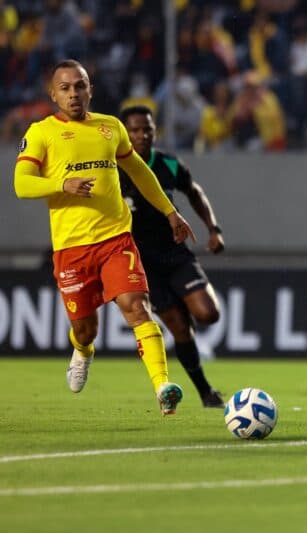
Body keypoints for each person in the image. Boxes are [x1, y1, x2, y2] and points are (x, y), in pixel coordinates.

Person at [13, 59, 195, 415]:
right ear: (53, 95)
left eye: (79, 86)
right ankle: (82, 351)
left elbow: (140, 174)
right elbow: (21, 184)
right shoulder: (41, 133)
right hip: (71, 248)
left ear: (90, 90)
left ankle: (163, 387)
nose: (73, 93)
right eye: (65, 88)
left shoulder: (110, 128)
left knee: (137, 308)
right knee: (85, 329)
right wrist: (61, 184)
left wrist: (170, 212)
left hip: (116, 239)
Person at [119, 105, 226, 408]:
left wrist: (213, 228)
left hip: (175, 253)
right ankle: (206, 393)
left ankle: (184, 303)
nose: (142, 135)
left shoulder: (168, 165)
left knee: (208, 314)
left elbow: (194, 192)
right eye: (135, 130)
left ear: (155, 131)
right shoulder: (114, 170)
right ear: (124, 134)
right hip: (143, 263)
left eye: (147, 129)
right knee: (179, 328)